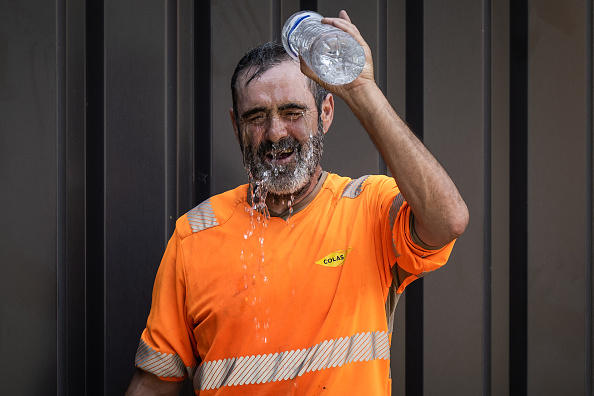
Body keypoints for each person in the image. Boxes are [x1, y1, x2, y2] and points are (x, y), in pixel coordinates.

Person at [126, 10, 468, 396]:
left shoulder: (366, 208)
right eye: (256, 117)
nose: (275, 133)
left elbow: (448, 220)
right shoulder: (195, 234)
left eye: (292, 113)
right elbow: (154, 386)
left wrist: (361, 91)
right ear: (236, 127)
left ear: (325, 114)